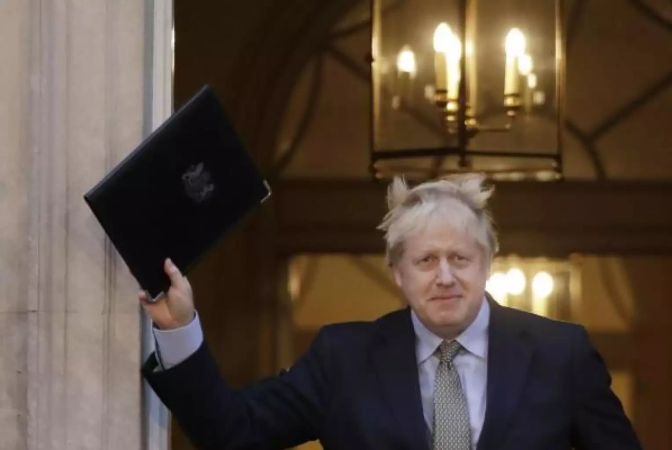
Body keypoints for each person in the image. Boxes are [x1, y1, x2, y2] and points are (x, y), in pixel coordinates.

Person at [141, 174, 642, 450]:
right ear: (398, 274)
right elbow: (232, 432)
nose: (444, 276)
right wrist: (179, 328)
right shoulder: (344, 358)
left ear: (487, 264)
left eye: (460, 259)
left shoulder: (561, 353)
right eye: (425, 260)